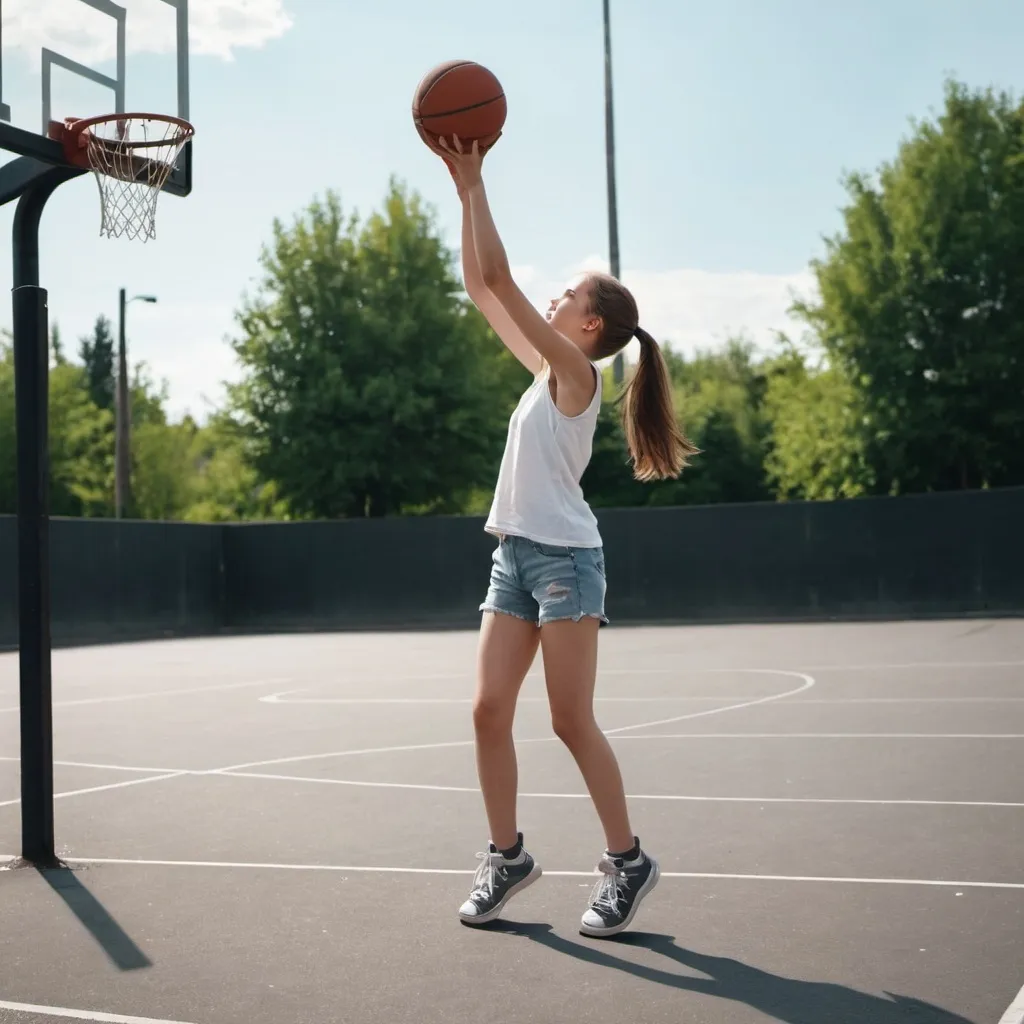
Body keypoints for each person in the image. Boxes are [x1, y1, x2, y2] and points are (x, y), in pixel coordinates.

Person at [430, 133, 698, 938]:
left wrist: (479, 180)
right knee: (486, 712)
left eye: (565, 293)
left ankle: (628, 861)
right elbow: (483, 288)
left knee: (569, 720)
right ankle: (506, 856)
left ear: (587, 325)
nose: (550, 296)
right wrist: (465, 190)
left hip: (566, 565)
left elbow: (504, 281)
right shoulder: (549, 372)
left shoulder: (579, 378)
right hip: (514, 555)